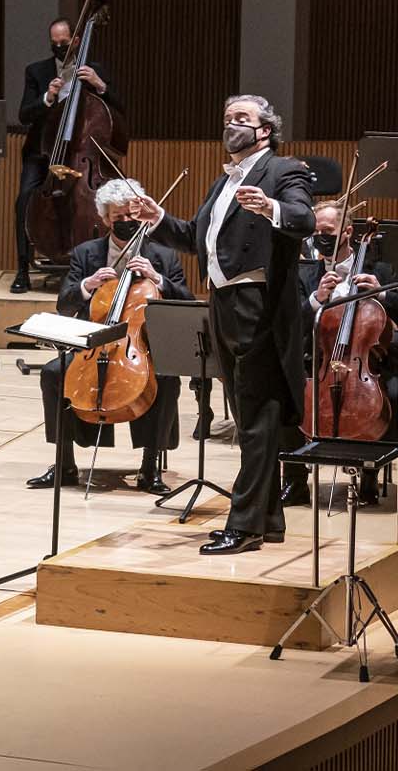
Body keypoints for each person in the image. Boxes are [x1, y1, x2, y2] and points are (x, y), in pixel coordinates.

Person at [132, 95, 314, 554]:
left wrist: (270, 207)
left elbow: (303, 219)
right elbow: (197, 237)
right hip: (223, 302)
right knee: (253, 413)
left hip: (255, 303)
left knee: (254, 418)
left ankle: (246, 524)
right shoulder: (223, 180)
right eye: (228, 118)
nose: (232, 124)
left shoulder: (282, 169)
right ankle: (268, 521)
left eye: (242, 119)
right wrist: (159, 220)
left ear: (264, 130)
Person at [22, 179, 192, 495]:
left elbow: (186, 299)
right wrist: (87, 285)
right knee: (53, 373)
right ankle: (65, 465)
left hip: (143, 346)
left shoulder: (164, 255)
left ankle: (150, 467)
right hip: (94, 343)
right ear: (105, 219)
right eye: (118, 217)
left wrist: (158, 279)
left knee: (167, 380)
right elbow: (65, 303)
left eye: (132, 216)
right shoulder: (88, 254)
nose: (127, 222)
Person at [281, 200, 398, 507]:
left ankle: (370, 474)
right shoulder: (306, 274)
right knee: (285, 396)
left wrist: (381, 293)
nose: (321, 237)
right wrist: (317, 300)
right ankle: (294, 482)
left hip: (367, 364)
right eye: (317, 231)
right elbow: (293, 327)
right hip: (319, 362)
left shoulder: (380, 270)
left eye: (328, 231)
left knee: (394, 394)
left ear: (347, 231)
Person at [12, 16, 122, 293]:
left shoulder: (94, 70)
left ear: (76, 40)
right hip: (44, 152)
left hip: (84, 153)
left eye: (64, 42)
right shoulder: (37, 71)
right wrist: (47, 98)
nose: (59, 47)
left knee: (105, 202)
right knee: (25, 199)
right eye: (54, 43)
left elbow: (120, 108)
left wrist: (100, 85)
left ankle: (97, 268)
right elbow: (25, 114)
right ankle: (23, 269)